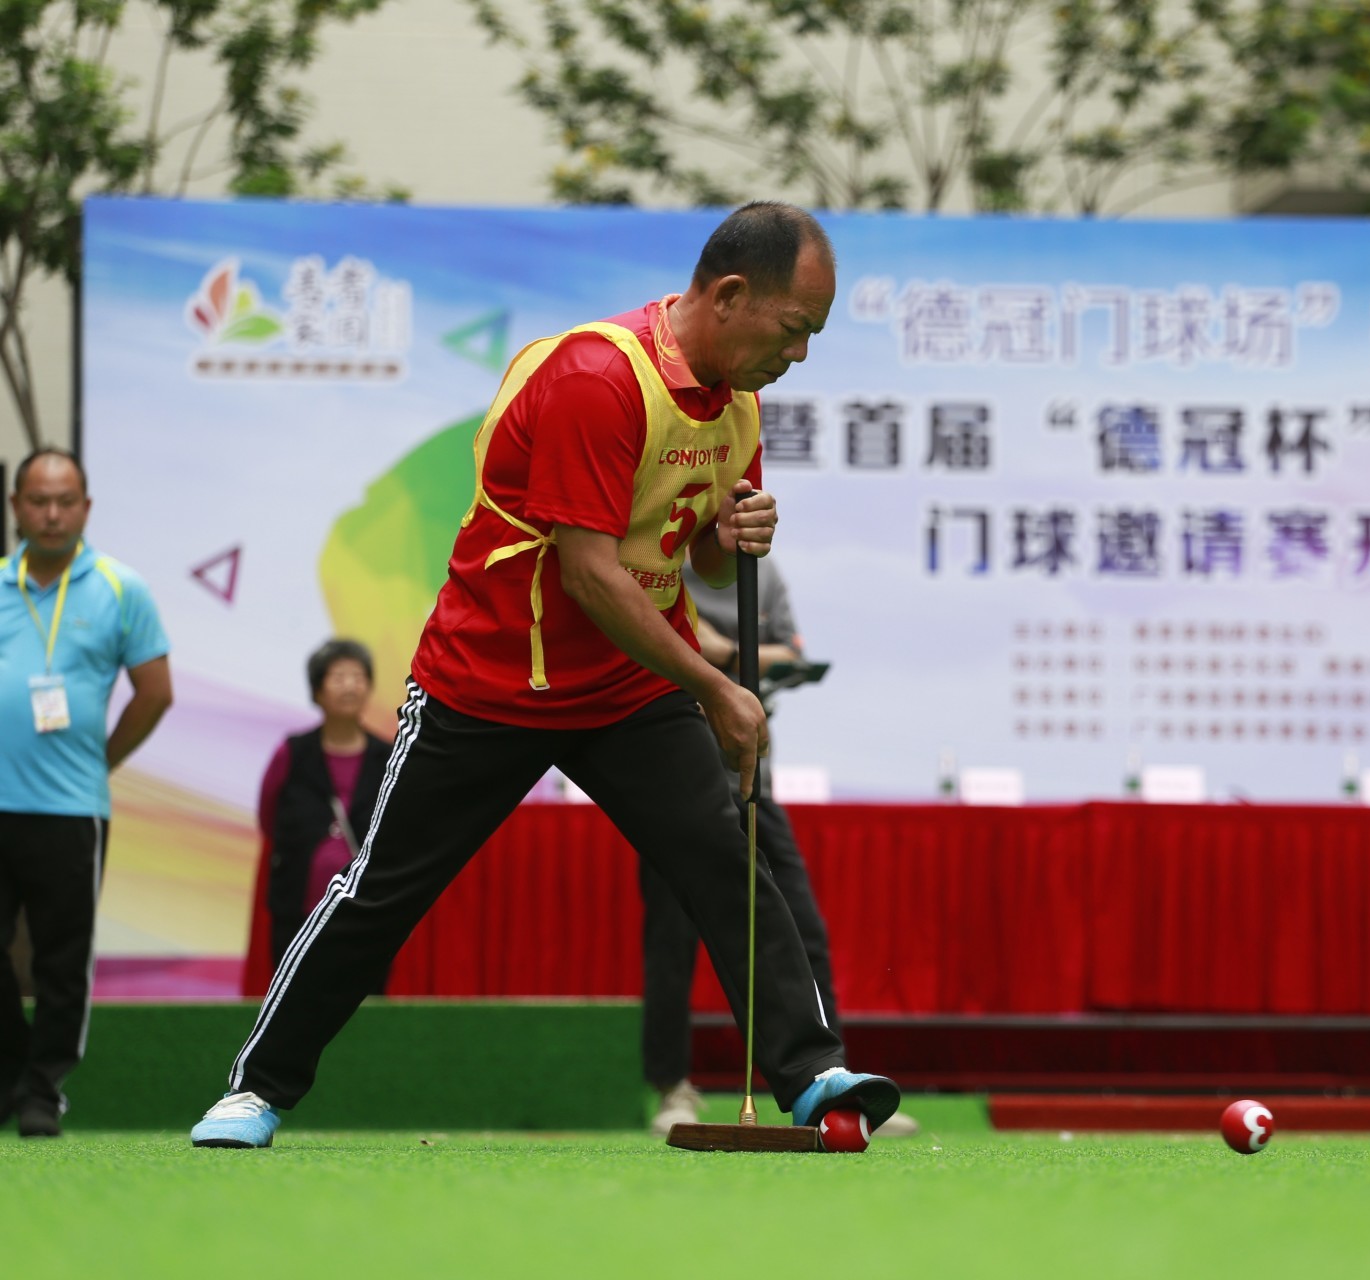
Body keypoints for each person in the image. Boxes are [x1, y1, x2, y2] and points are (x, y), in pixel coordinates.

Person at [190, 201, 901, 1148]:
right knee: (381, 890)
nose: (801, 355)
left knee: (725, 859)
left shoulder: (736, 398)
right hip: (488, 684)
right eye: (796, 329)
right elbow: (591, 573)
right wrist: (716, 685)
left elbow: (698, 559)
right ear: (731, 295)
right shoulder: (597, 377)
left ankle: (813, 1077)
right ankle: (255, 1088)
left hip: (625, 690)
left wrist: (732, 541)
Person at [644, 558, 917, 1138]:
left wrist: (720, 650)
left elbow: (790, 655)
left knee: (801, 923)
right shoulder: (655, 559)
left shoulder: (758, 573)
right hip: (672, 770)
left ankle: (830, 1076)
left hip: (748, 769)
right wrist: (715, 653)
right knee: (674, 935)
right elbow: (636, 638)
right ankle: (673, 1085)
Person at [0, 448, 171, 1138]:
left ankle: (43, 1092)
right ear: (15, 507)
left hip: (72, 808)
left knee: (62, 960)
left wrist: (101, 762)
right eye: (37, 500)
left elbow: (155, 693)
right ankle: (11, 1070)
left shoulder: (119, 587)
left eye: (64, 500)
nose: (50, 513)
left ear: (86, 509)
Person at [257, 640, 393, 969]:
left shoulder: (388, 756)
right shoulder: (292, 752)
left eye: (358, 677)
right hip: (297, 904)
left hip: (368, 908)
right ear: (317, 691)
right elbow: (267, 816)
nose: (349, 685)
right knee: (293, 994)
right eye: (338, 677)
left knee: (364, 999)